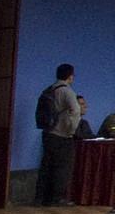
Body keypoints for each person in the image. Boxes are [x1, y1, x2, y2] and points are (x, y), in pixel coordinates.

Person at [33, 64, 80, 206]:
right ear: (70, 76)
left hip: (48, 132)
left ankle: (41, 197)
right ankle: (57, 198)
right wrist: (72, 128)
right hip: (62, 135)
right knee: (62, 167)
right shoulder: (67, 91)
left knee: (46, 165)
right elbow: (76, 110)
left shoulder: (50, 89)